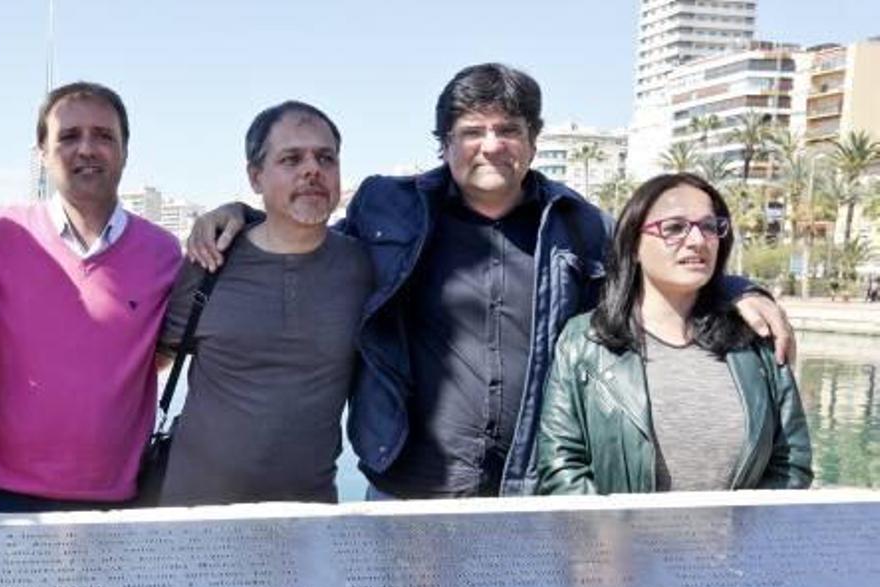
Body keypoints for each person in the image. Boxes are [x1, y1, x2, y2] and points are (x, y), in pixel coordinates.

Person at [186, 63, 796, 499]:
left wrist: (736, 289)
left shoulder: (578, 225)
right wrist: (241, 216)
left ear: (532, 140)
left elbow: (655, 267)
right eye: (472, 131)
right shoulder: (388, 209)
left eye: (507, 129)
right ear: (445, 143)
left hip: (529, 485)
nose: (491, 145)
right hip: (412, 483)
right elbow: (305, 229)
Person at [0, 81, 182, 512]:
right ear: (42, 154)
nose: (87, 149)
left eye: (103, 136)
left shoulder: (164, 253)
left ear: (124, 150)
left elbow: (163, 350)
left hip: (121, 500)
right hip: (1, 497)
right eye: (68, 136)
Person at [536, 173, 812, 494]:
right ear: (634, 245)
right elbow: (561, 465)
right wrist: (611, 537)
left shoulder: (754, 338)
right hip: (622, 542)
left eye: (709, 227)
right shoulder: (585, 340)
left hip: (737, 543)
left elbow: (791, 461)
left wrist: (744, 536)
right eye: (674, 228)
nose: (697, 240)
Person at [157, 101, 372, 506]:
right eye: (291, 159)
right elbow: (159, 357)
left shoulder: (363, 267)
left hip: (310, 520)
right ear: (255, 177)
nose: (312, 170)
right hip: (192, 518)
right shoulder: (208, 261)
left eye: (325, 158)